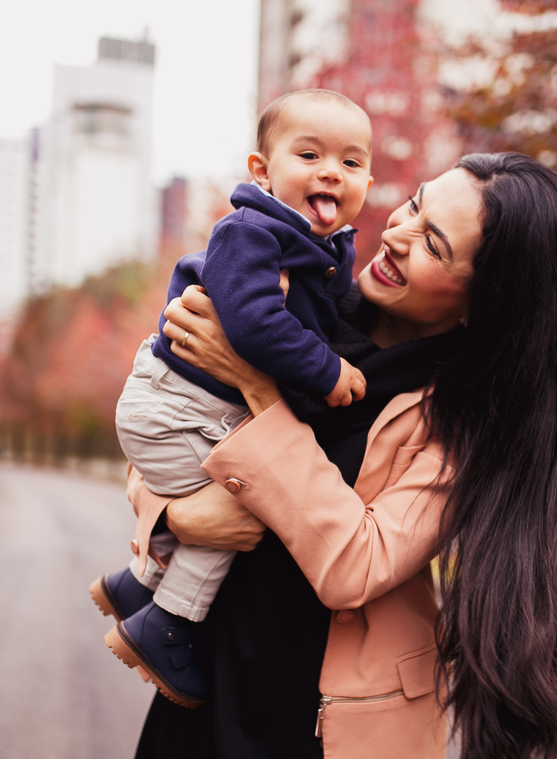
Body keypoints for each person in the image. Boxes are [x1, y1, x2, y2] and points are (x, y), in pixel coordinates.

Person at [120, 152, 557, 759]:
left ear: (484, 299)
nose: (398, 235)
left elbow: (358, 563)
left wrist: (259, 390)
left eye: (433, 244)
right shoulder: (293, 309)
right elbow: (163, 433)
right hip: (206, 686)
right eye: (414, 207)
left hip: (324, 732)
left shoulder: (461, 419)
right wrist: (173, 515)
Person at [89, 89, 374, 708]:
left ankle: (136, 589)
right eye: (310, 154)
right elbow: (251, 324)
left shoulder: (325, 250)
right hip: (177, 405)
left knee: (229, 496)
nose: (332, 171)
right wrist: (326, 370)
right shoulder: (252, 232)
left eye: (352, 163)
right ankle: (167, 625)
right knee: (238, 508)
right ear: (262, 171)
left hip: (195, 407)